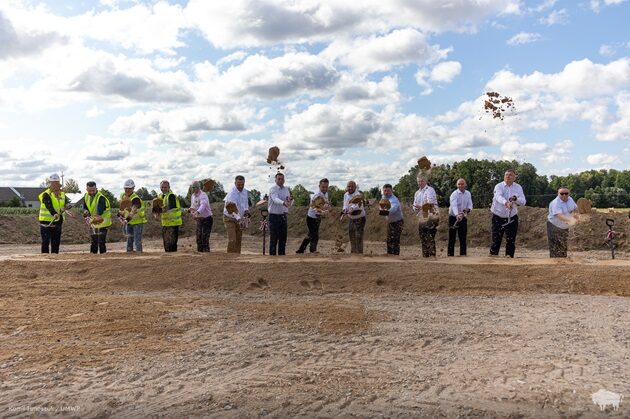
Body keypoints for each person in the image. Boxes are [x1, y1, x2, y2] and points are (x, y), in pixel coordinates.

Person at [490, 169, 526, 258]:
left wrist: (515, 200)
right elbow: (498, 196)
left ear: (514, 177)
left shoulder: (518, 187)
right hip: (498, 215)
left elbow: (523, 201)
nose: (508, 176)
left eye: (510, 175)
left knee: (511, 239)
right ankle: (493, 257)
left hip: (512, 216)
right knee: (496, 238)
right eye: (506, 174)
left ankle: (509, 257)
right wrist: (506, 203)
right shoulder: (498, 186)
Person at [38, 173, 70, 254]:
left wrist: (67, 205)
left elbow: (66, 202)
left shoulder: (62, 194)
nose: (55, 185)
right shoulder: (46, 194)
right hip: (46, 222)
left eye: (56, 183)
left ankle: (55, 258)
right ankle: (45, 258)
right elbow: (49, 205)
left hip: (58, 221)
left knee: (56, 242)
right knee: (45, 241)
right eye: (53, 183)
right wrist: (54, 213)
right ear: (50, 184)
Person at [297, 178, 330, 254]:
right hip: (311, 218)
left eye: (326, 187)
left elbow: (325, 204)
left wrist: (327, 208)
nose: (324, 188)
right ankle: (313, 251)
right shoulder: (316, 195)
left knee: (310, 234)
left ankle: (301, 249)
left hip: (318, 217)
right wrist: (323, 212)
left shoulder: (326, 194)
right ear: (319, 186)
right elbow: (314, 208)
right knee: (314, 235)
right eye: (323, 187)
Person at [547, 187, 578, 258]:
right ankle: (555, 263)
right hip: (554, 226)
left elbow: (575, 208)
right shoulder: (555, 203)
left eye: (566, 193)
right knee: (555, 246)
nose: (564, 195)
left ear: (569, 194)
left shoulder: (570, 199)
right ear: (558, 194)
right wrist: (571, 220)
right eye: (562, 193)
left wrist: (576, 215)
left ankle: (563, 262)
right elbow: (559, 216)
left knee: (563, 245)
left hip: (564, 226)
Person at [413, 174, 439, 257]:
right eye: (418, 181)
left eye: (422, 181)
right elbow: (414, 205)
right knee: (422, 236)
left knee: (430, 236)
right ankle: (425, 256)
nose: (420, 183)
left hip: (432, 216)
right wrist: (416, 208)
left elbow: (430, 204)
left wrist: (421, 207)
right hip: (422, 216)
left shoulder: (430, 190)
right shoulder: (417, 193)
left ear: (426, 181)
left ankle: (432, 256)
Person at [223, 175, 250, 254]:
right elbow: (231, 210)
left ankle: (237, 256)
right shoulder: (231, 194)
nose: (241, 186)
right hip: (229, 218)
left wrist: (246, 211)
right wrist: (239, 219)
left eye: (242, 184)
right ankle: (230, 256)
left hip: (239, 217)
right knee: (232, 239)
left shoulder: (245, 191)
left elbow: (245, 203)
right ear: (235, 183)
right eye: (239, 184)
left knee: (238, 238)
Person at [83, 181, 111, 254]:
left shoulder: (100, 197)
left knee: (101, 241)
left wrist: (91, 219)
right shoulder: (86, 196)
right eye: (90, 191)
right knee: (94, 241)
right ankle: (93, 257)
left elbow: (99, 212)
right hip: (94, 222)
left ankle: (103, 258)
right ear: (86, 189)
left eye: (93, 190)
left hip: (103, 222)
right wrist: (86, 212)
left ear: (96, 189)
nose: (92, 192)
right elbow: (85, 207)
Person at [268, 172, 292, 256]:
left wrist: (290, 201)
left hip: (283, 215)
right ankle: (272, 256)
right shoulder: (273, 189)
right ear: (275, 180)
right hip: (273, 216)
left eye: (282, 179)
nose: (280, 181)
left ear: (284, 180)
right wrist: (283, 203)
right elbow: (275, 199)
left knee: (283, 238)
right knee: (273, 238)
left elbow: (289, 201)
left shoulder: (286, 190)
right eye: (279, 179)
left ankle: (282, 256)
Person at [119, 179, 147, 253]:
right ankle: (129, 252)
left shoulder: (135, 199)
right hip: (129, 222)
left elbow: (133, 212)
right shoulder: (123, 196)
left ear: (133, 188)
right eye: (126, 188)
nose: (127, 190)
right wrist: (120, 217)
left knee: (137, 239)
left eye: (129, 188)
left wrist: (126, 220)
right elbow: (122, 208)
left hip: (137, 222)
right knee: (129, 238)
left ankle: (139, 253)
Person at [447, 178, 473, 257]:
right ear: (456, 185)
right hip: (453, 217)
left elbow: (470, 204)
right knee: (452, 237)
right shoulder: (454, 194)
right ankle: (450, 255)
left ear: (465, 185)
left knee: (463, 237)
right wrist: (457, 215)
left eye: (462, 184)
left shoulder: (468, 193)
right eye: (459, 184)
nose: (460, 185)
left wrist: (468, 209)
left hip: (463, 217)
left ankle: (463, 254)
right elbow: (454, 205)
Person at [342, 180, 366, 254]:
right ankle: (353, 253)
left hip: (360, 218)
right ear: (347, 187)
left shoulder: (358, 195)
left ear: (355, 187)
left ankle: (359, 253)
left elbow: (358, 205)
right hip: (351, 218)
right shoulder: (345, 195)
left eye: (352, 186)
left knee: (358, 236)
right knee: (351, 235)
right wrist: (344, 211)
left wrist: (352, 209)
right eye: (349, 186)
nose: (350, 188)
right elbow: (345, 205)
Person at [158, 180, 182, 252]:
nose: (163, 189)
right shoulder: (160, 196)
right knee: (166, 243)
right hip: (165, 223)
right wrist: (155, 212)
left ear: (169, 187)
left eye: (165, 187)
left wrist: (159, 210)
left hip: (173, 223)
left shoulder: (171, 196)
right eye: (162, 187)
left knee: (172, 244)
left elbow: (170, 206)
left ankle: (174, 260)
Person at [189, 180, 213, 252]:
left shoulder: (203, 195)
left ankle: (206, 253)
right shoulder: (193, 196)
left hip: (207, 219)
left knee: (204, 237)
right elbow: (193, 206)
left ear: (198, 187)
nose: (193, 189)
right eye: (192, 187)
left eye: (194, 187)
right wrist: (191, 210)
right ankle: (200, 253)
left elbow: (203, 205)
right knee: (198, 237)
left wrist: (198, 212)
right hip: (199, 219)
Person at [380, 184, 403, 255]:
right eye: (385, 191)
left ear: (391, 191)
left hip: (398, 222)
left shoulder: (394, 199)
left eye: (388, 191)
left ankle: (396, 256)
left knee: (395, 240)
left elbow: (393, 209)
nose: (386, 192)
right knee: (389, 240)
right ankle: (389, 256)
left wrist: (385, 211)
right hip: (390, 222)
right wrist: (381, 209)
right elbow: (381, 206)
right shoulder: (383, 197)